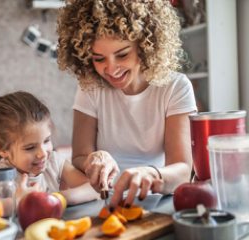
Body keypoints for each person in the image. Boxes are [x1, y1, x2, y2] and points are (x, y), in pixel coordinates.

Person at [57, 0, 197, 208]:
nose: (111, 69)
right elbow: (79, 155)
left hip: (155, 198)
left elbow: (183, 170)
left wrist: (150, 173)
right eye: (99, 59)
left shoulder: (175, 87)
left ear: (145, 46)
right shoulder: (91, 87)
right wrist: (94, 159)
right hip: (104, 199)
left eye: (122, 54)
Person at [0, 91, 99, 211]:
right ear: (2, 150)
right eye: (30, 148)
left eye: (46, 141)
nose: (43, 153)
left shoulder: (53, 162)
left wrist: (56, 198)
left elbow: (94, 189)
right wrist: (19, 201)